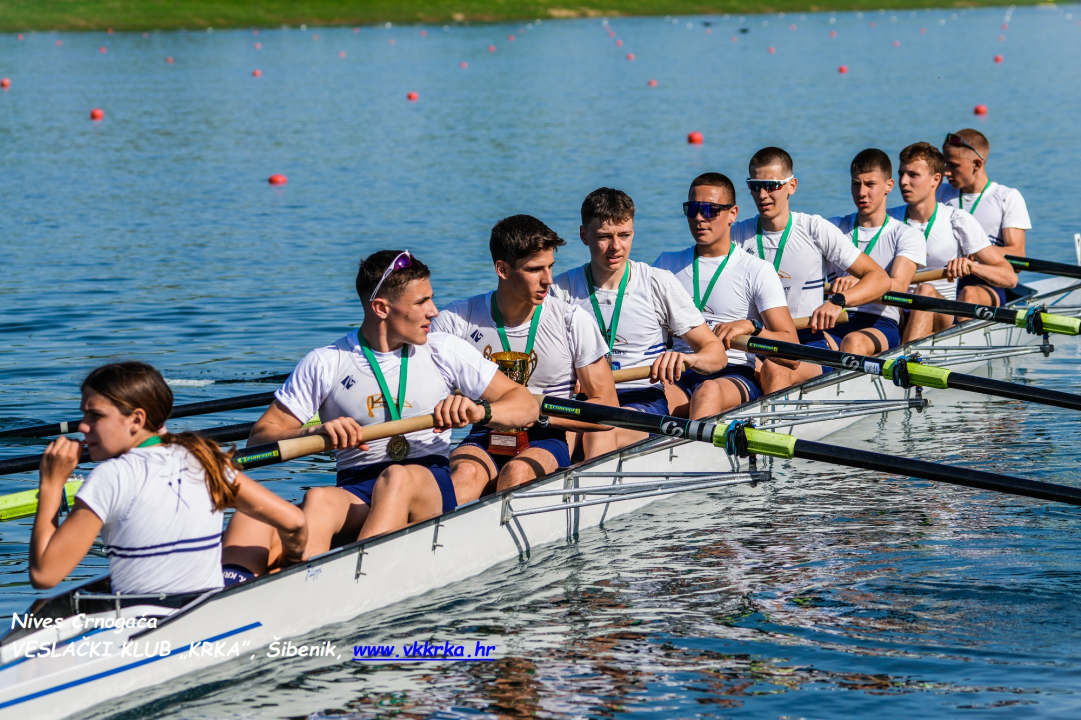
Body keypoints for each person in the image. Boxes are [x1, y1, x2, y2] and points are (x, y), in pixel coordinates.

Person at [222, 250, 536, 579]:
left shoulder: (444, 349)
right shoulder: (326, 361)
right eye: (422, 302)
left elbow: (526, 405)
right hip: (356, 489)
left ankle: (360, 580)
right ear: (381, 308)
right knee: (317, 498)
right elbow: (261, 437)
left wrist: (478, 410)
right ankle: (306, 582)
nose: (434, 311)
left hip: (426, 484)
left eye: (431, 299)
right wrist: (313, 433)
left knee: (396, 478)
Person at [29, 361, 307, 593]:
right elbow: (294, 521)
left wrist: (51, 484)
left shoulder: (111, 476)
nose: (82, 426)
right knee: (257, 518)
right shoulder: (205, 460)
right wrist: (290, 561)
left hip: (140, 622)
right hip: (205, 610)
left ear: (137, 420)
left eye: (95, 416)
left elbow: (44, 576)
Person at [433, 215, 619, 495]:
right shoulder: (457, 320)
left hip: (546, 434)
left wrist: (539, 416)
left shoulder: (571, 321)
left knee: (517, 472)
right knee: (464, 475)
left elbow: (607, 407)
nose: (548, 280)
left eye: (550, 267)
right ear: (502, 269)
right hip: (485, 430)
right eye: (535, 270)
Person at [551, 187, 728, 445]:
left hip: (641, 398)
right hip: (583, 399)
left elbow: (717, 355)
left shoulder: (657, 283)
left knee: (597, 435)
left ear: (633, 232)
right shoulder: (560, 290)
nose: (616, 247)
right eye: (604, 237)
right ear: (584, 235)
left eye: (624, 235)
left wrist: (688, 359)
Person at [731, 147, 891, 392]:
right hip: (752, 342)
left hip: (806, 343)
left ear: (791, 186)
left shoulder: (814, 229)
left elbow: (879, 279)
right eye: (755, 186)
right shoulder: (737, 236)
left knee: (774, 368)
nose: (762, 194)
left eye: (771, 186)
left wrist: (838, 301)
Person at [654, 172, 799, 417]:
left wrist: (753, 328)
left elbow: (793, 354)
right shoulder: (665, 264)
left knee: (707, 391)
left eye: (709, 210)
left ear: (732, 214)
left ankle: (699, 441)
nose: (699, 218)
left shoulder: (757, 270)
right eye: (692, 209)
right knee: (646, 399)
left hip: (733, 373)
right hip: (681, 372)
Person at [888, 142, 1017, 342]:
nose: (903, 181)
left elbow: (1010, 277)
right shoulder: (888, 220)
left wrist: (972, 267)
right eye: (901, 174)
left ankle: (905, 356)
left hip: (941, 313)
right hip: (896, 309)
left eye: (913, 175)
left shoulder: (956, 220)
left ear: (935, 179)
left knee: (925, 291)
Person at [826, 149, 926, 355]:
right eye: (856, 184)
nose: (861, 193)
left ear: (888, 185)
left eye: (870, 184)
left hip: (880, 323)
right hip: (833, 318)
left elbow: (898, 285)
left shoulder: (906, 235)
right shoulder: (833, 227)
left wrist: (861, 282)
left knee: (853, 342)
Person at [939, 129, 1031, 259]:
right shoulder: (937, 193)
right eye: (945, 164)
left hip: (983, 271)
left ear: (976, 164)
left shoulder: (1007, 198)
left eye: (953, 165)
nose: (945, 172)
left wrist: (978, 251)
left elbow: (1018, 254)